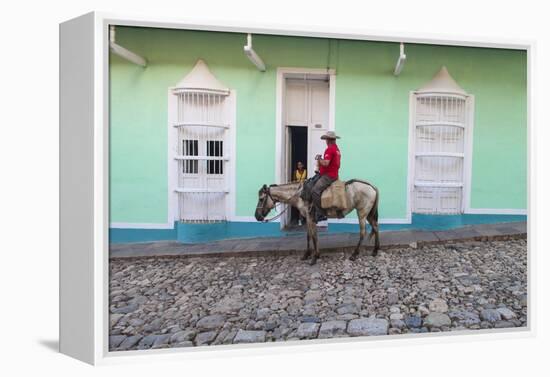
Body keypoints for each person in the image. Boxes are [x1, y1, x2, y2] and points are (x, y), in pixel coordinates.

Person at [311, 131, 341, 223]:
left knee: (315, 191)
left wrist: (319, 158)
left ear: (329, 140)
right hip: (334, 174)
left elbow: (326, 163)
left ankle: (320, 214)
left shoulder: (330, 149)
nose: (326, 141)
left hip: (329, 176)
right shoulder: (337, 149)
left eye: (326, 139)